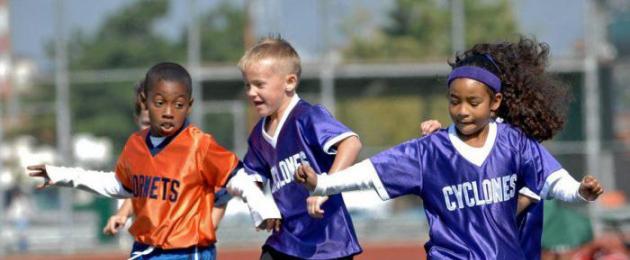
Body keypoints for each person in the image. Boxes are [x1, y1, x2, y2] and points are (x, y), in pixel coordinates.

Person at [295, 37, 604, 259]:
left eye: (473, 102)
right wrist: (323, 183)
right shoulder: (430, 151)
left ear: (495, 102)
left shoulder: (515, 144)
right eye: (455, 102)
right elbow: (373, 171)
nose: (463, 111)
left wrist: (579, 191)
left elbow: (551, 180)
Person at [27, 62, 280, 260]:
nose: (169, 112)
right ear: (144, 102)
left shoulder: (199, 145)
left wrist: (263, 209)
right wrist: (60, 175)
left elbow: (238, 179)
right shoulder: (135, 146)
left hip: (186, 252)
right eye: (160, 103)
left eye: (178, 104)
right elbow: (118, 186)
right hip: (145, 249)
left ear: (189, 106)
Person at [235, 36, 363, 259]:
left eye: (259, 84)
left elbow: (351, 143)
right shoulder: (258, 135)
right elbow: (252, 176)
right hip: (287, 240)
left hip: (328, 242)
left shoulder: (308, 117)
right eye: (247, 85)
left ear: (290, 82)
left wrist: (325, 186)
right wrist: (262, 206)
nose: (251, 92)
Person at [102, 81, 231, 236]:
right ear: (137, 119)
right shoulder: (140, 149)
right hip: (151, 240)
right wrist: (122, 214)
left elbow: (221, 194)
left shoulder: (193, 148)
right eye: (146, 123)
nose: (154, 128)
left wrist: (206, 230)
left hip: (184, 246)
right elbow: (142, 189)